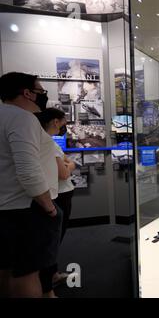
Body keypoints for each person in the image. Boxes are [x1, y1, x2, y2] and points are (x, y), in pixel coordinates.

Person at [0, 72, 59, 298]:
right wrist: (49, 207)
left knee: (6, 269)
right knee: (27, 273)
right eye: (41, 91)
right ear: (27, 93)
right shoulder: (22, 118)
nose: (43, 96)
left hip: (7, 208)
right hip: (26, 209)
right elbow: (27, 170)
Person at [36, 108, 75, 297]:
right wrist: (69, 165)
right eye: (64, 121)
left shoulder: (47, 142)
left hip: (59, 195)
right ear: (56, 121)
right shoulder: (47, 144)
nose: (65, 125)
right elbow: (65, 172)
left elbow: (69, 162)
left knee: (52, 241)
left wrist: (69, 164)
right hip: (59, 196)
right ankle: (48, 285)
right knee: (51, 241)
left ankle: (52, 275)